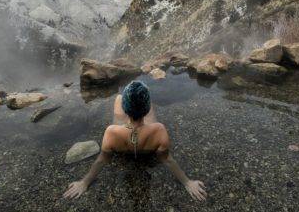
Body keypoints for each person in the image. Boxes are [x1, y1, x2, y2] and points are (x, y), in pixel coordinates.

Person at [63, 80, 207, 201]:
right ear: (146, 109)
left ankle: (130, 103)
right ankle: (136, 104)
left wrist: (84, 182)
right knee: (138, 99)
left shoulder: (111, 132)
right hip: (148, 133)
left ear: (126, 110)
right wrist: (187, 182)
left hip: (120, 135)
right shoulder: (159, 130)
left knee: (119, 98)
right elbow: (167, 159)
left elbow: (102, 160)